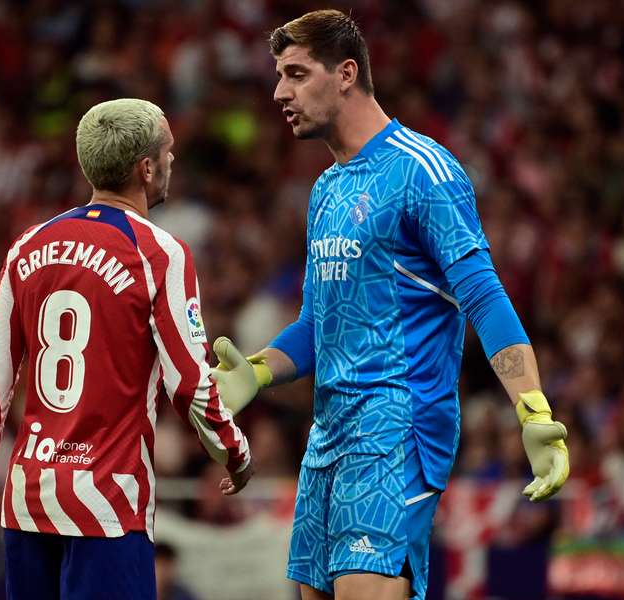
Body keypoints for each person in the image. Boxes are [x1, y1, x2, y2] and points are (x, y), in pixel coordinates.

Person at [210, 10, 569, 600]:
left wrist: (531, 409)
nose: (280, 92)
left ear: (346, 73)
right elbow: (316, 326)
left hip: (398, 427)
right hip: (328, 435)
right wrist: (257, 371)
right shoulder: (326, 188)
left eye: (296, 74)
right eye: (279, 75)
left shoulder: (423, 170)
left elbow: (484, 297)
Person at [0, 98, 252, 600]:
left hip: (28, 504)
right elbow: (190, 384)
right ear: (146, 167)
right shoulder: (159, 253)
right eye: (169, 151)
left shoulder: (27, 246)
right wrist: (235, 452)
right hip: (108, 505)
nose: (173, 161)